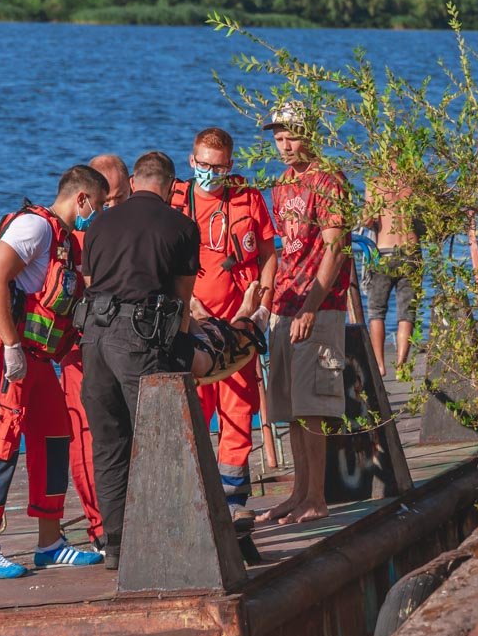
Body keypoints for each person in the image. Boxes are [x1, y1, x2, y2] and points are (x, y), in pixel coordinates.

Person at [0, 165, 109, 579]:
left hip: (37, 356)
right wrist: (10, 346)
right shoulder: (35, 228)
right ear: (81, 199)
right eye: (96, 206)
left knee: (55, 435)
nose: (94, 215)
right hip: (0, 344)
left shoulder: (64, 242)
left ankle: (50, 542)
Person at [79, 151, 201, 569]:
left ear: (133, 181)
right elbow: (182, 302)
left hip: (93, 338)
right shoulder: (182, 226)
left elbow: (93, 284)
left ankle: (115, 544)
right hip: (139, 339)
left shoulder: (98, 224)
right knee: (157, 437)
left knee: (110, 442)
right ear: (169, 186)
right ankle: (166, 537)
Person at [169, 128, 277, 528]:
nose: (209, 172)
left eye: (218, 166)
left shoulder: (249, 199)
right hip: (192, 328)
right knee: (193, 413)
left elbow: (268, 253)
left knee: (238, 412)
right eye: (202, 164)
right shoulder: (175, 201)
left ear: (230, 166)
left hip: (238, 329)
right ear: (191, 160)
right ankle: (193, 499)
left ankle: (233, 502)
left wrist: (263, 304)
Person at [256, 103, 352, 525]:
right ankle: (298, 491)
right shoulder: (281, 183)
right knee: (289, 406)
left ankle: (317, 495)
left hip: (318, 306)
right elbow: (283, 247)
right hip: (284, 303)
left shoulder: (328, 181)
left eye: (292, 135)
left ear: (310, 134)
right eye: (278, 138)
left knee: (313, 404)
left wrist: (312, 305)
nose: (285, 145)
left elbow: (334, 246)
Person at [58, 153, 131, 551]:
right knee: (89, 436)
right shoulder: (75, 236)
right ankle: (101, 527)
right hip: (84, 346)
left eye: (118, 201)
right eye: (106, 204)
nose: (110, 211)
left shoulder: (128, 225)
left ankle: (132, 517)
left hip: (127, 341)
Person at [363, 169, 420, 377]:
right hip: (411, 251)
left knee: (376, 311)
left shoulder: (375, 182)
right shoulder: (413, 181)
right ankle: (401, 364)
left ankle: (379, 365)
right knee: (407, 312)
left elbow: (367, 219)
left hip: (384, 252)